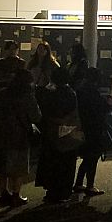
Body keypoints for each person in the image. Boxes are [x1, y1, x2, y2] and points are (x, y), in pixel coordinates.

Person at [0, 67, 40, 207]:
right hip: (19, 136)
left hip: (0, 135)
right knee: (18, 167)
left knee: (2, 167)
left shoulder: (1, 94)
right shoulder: (28, 97)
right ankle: (16, 195)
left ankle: (3, 194)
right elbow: (36, 116)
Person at [36, 65, 79, 203]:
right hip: (67, 129)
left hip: (51, 130)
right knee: (67, 161)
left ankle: (51, 190)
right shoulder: (70, 93)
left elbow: (43, 112)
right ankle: (64, 191)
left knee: (52, 160)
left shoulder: (49, 94)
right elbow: (73, 113)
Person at [73, 67, 112, 196]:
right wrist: (109, 104)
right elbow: (101, 109)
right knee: (93, 157)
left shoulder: (80, 90)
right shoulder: (92, 92)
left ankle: (79, 183)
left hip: (84, 126)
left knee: (87, 157)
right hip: (94, 128)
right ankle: (90, 186)